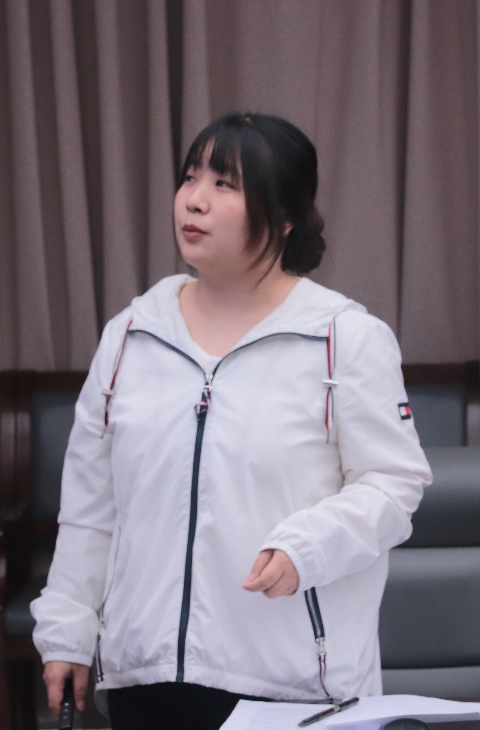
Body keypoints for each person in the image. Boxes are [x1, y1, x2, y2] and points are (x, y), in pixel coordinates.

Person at [30, 111, 432, 730]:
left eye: (225, 185)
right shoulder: (132, 335)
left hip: (292, 685)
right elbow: (91, 505)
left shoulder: (344, 338)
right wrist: (67, 630)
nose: (194, 200)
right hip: (146, 677)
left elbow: (395, 485)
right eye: (191, 177)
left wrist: (307, 548)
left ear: (285, 214)